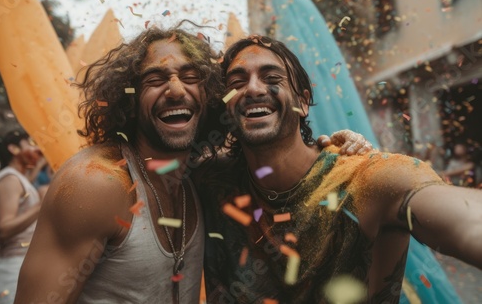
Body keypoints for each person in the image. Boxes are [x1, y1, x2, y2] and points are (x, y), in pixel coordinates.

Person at [14, 24, 369, 304]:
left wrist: (337, 145)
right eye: (155, 79)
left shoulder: (200, 177)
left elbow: (280, 161)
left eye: (190, 77)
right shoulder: (96, 184)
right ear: (129, 99)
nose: (175, 90)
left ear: (211, 96)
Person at [199, 36, 482, 303]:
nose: (253, 89)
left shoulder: (366, 177)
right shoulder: (209, 183)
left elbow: (464, 220)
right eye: (237, 82)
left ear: (303, 102)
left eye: (272, 79)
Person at [0, 130, 43, 304]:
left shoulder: (15, 178)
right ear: (13, 149)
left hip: (8, 272)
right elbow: (4, 228)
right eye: (31, 143)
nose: (37, 148)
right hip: (8, 273)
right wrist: (41, 206)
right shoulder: (10, 179)